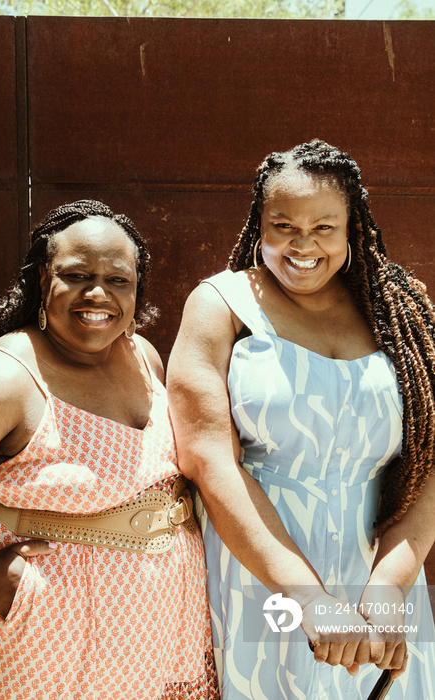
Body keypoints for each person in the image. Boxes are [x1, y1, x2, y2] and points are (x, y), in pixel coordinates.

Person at [167, 140, 435, 698]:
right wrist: (306, 597)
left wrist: (390, 584)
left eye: (323, 227)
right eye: (283, 225)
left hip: (378, 577)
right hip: (260, 574)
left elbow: (431, 456)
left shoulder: (395, 309)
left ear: (351, 227)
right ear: (258, 223)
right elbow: (207, 458)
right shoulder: (222, 305)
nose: (302, 244)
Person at [0, 200, 219, 700]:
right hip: (48, 649)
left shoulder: (142, 356)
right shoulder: (3, 380)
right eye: (77, 275)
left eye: (118, 279)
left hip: (170, 641)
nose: (98, 293)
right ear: (43, 279)